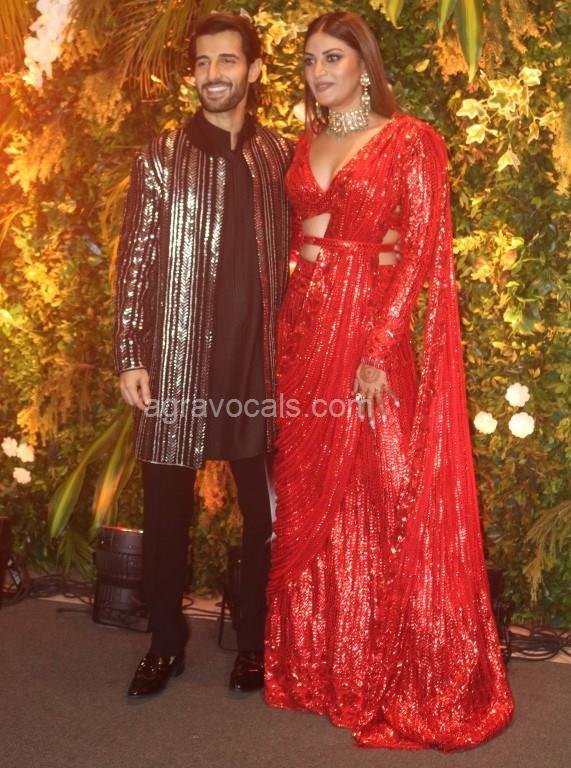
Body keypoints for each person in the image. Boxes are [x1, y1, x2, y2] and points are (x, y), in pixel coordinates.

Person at [264, 11, 514, 750]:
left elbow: (419, 250)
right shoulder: (306, 141)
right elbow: (297, 239)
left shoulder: (409, 140)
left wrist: (378, 343)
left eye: (332, 58)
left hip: (367, 333)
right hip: (302, 331)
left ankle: (394, 671)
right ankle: (321, 668)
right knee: (311, 493)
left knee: (384, 490)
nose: (318, 72)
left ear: (364, 64)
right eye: (310, 60)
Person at [113, 12, 292, 697]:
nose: (212, 74)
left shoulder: (279, 156)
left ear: (253, 70)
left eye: (227, 61)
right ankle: (165, 644)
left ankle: (254, 643)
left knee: (265, 517)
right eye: (202, 63)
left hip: (257, 365)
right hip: (175, 362)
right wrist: (130, 351)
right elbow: (135, 260)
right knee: (166, 515)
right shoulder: (161, 156)